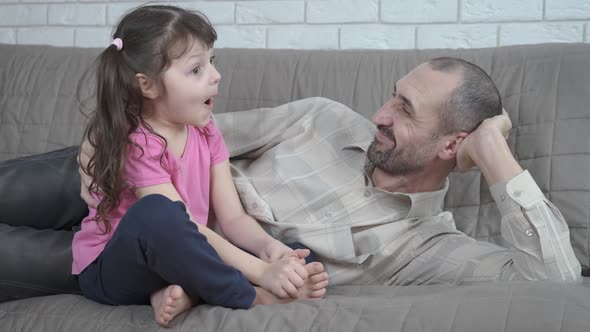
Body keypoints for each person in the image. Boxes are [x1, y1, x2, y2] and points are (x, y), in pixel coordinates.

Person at [80, 57, 582, 287]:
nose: (381, 114)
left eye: (406, 110)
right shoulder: (324, 117)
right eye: (392, 95)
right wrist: (98, 152)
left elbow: (555, 280)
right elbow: (184, 135)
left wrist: (494, 150)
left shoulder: (427, 248)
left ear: (453, 144)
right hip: (128, 175)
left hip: (163, 256)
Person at [72, 5, 328, 327]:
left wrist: (272, 251)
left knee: (300, 253)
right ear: (147, 86)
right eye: (196, 70)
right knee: (158, 213)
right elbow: (183, 228)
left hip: (184, 251)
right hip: (111, 268)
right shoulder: (138, 144)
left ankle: (182, 292)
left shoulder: (206, 131)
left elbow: (233, 218)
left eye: (212, 62)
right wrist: (262, 274)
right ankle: (253, 295)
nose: (215, 75)